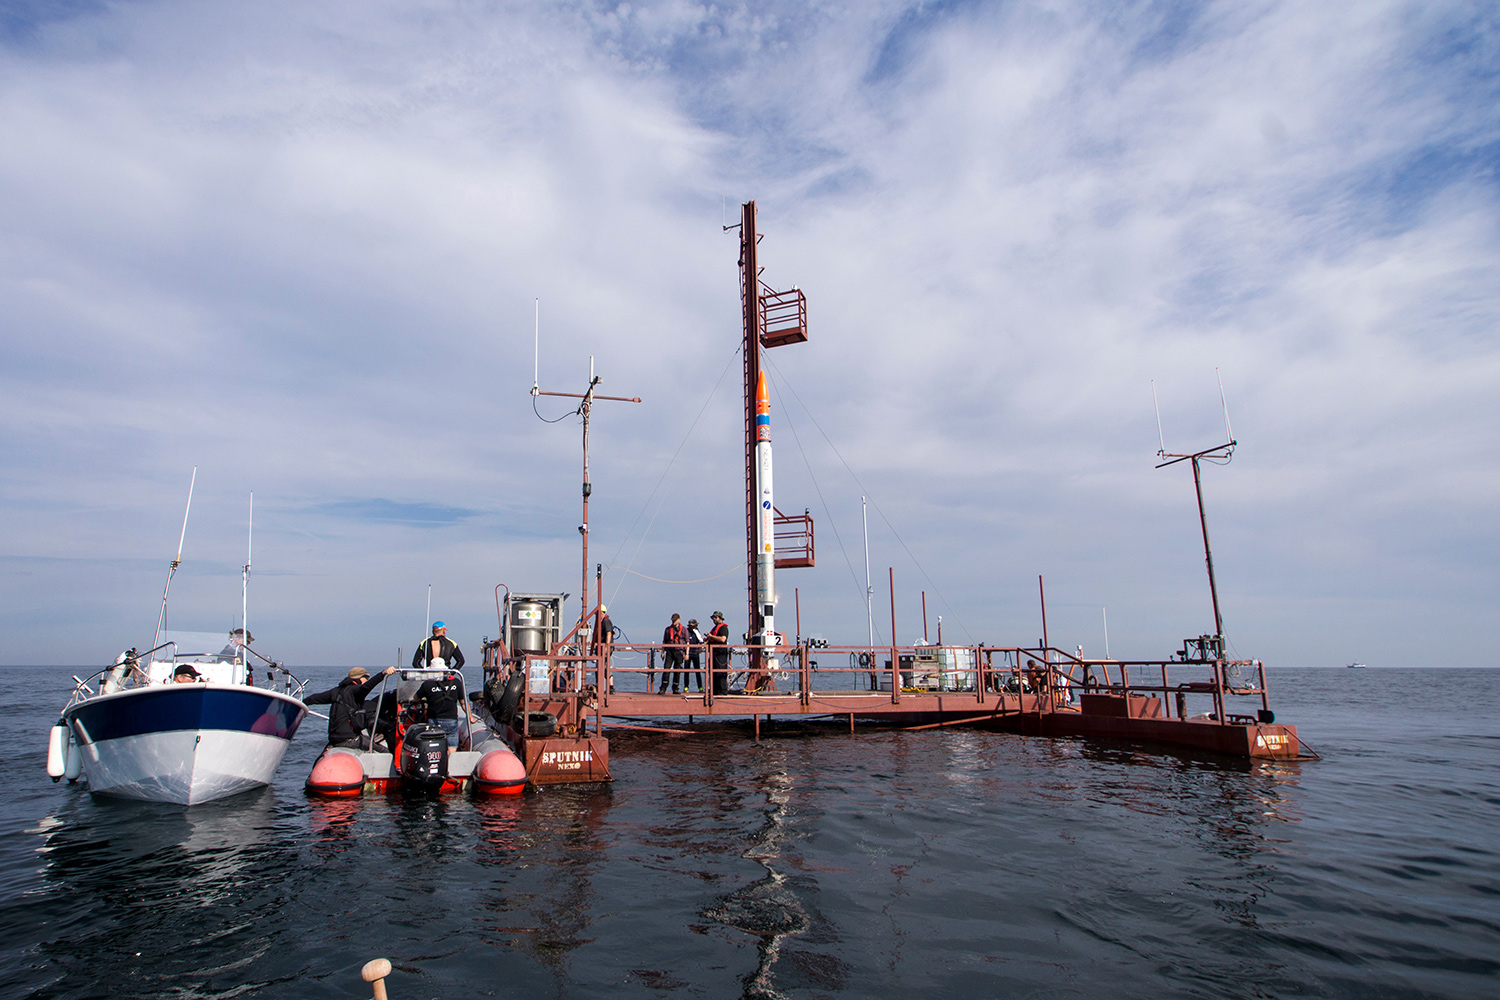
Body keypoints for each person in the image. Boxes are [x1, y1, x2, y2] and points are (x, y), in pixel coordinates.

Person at [304, 666, 397, 748]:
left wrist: (302, 704)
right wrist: (383, 674)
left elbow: (314, 698)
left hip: (334, 739)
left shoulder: (335, 692)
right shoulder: (356, 691)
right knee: (382, 750)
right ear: (360, 679)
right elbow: (368, 686)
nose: (366, 681)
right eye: (366, 679)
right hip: (349, 739)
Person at [414, 669, 477, 750]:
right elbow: (463, 702)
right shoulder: (456, 682)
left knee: (434, 746)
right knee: (452, 748)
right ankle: (451, 760)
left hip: (434, 721)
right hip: (451, 721)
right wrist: (470, 717)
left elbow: (416, 698)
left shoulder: (427, 684)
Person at [660, 613, 687, 695]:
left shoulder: (684, 630)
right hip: (670, 651)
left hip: (679, 651)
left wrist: (687, 653)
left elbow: (687, 642)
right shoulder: (668, 629)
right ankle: (663, 688)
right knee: (666, 669)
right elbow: (664, 641)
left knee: (677, 670)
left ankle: (675, 688)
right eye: (672, 620)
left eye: (675, 620)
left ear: (679, 620)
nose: (673, 622)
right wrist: (662, 652)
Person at [706, 611, 731, 695]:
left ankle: (722, 691)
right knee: (713, 672)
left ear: (720, 618)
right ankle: (715, 690)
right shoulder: (714, 628)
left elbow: (723, 639)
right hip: (714, 653)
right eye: (713, 618)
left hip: (721, 654)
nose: (714, 619)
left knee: (721, 672)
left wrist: (711, 636)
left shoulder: (723, 628)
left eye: (715, 617)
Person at [685, 619, 705, 693]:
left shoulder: (697, 631)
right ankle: (686, 687)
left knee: (698, 670)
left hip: (695, 653)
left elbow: (701, 641)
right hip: (688, 652)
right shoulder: (686, 632)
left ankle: (700, 687)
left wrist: (700, 647)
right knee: (686, 670)